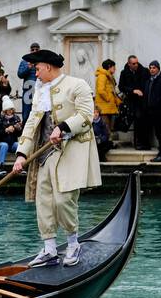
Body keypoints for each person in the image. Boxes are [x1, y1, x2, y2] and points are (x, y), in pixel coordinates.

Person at [11, 49, 101, 268]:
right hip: (43, 154)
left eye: (38, 69)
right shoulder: (40, 91)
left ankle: (73, 243)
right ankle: (50, 249)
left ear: (48, 67)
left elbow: (86, 115)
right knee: (44, 202)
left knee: (63, 200)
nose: (37, 74)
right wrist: (22, 154)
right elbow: (32, 123)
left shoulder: (77, 85)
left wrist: (63, 127)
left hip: (70, 150)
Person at [117, 54, 150, 150]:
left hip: (143, 101)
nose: (136, 65)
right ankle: (138, 143)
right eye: (133, 63)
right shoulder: (124, 72)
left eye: (137, 63)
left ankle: (144, 143)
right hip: (131, 101)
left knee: (143, 122)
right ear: (129, 64)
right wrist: (133, 90)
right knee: (137, 121)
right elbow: (121, 87)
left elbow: (147, 84)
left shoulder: (144, 71)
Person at [143, 60, 161, 162]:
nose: (152, 69)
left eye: (154, 68)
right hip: (151, 112)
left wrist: (156, 102)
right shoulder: (149, 80)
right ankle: (160, 153)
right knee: (158, 133)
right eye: (150, 68)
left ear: (158, 69)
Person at [0, 97, 23, 173]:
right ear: (5, 110)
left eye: (11, 109)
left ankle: (21, 166)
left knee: (18, 145)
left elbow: (19, 134)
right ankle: (0, 166)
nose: (10, 111)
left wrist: (18, 129)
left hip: (12, 143)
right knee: (4, 145)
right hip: (1, 142)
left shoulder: (16, 118)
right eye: (8, 109)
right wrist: (6, 130)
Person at [95, 58, 120, 136]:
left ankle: (109, 142)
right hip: (104, 106)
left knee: (108, 126)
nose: (115, 69)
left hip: (108, 106)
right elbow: (101, 90)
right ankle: (106, 143)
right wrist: (108, 98)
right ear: (109, 66)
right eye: (113, 67)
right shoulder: (102, 76)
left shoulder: (108, 76)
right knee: (105, 126)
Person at [16, 41, 40, 123]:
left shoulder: (43, 62)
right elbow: (19, 74)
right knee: (26, 115)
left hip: (39, 91)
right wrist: (28, 67)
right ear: (30, 50)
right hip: (28, 92)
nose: (34, 51)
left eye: (36, 49)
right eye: (33, 49)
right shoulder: (24, 61)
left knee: (39, 114)